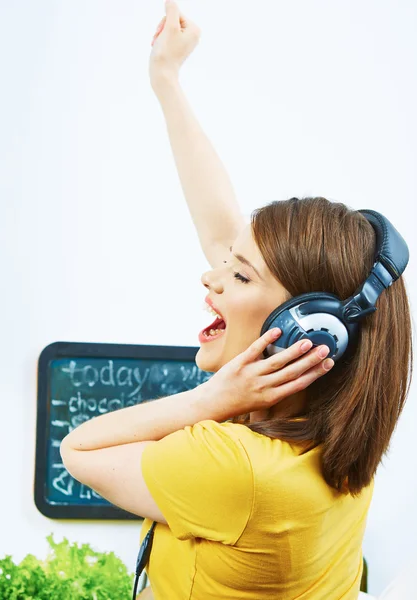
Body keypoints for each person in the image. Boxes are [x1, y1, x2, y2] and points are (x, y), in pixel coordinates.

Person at [60, 2, 413, 599]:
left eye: (239, 277)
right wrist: (166, 80)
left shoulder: (235, 469)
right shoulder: (339, 433)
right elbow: (226, 233)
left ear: (309, 335)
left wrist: (214, 397)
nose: (211, 277)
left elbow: (80, 448)